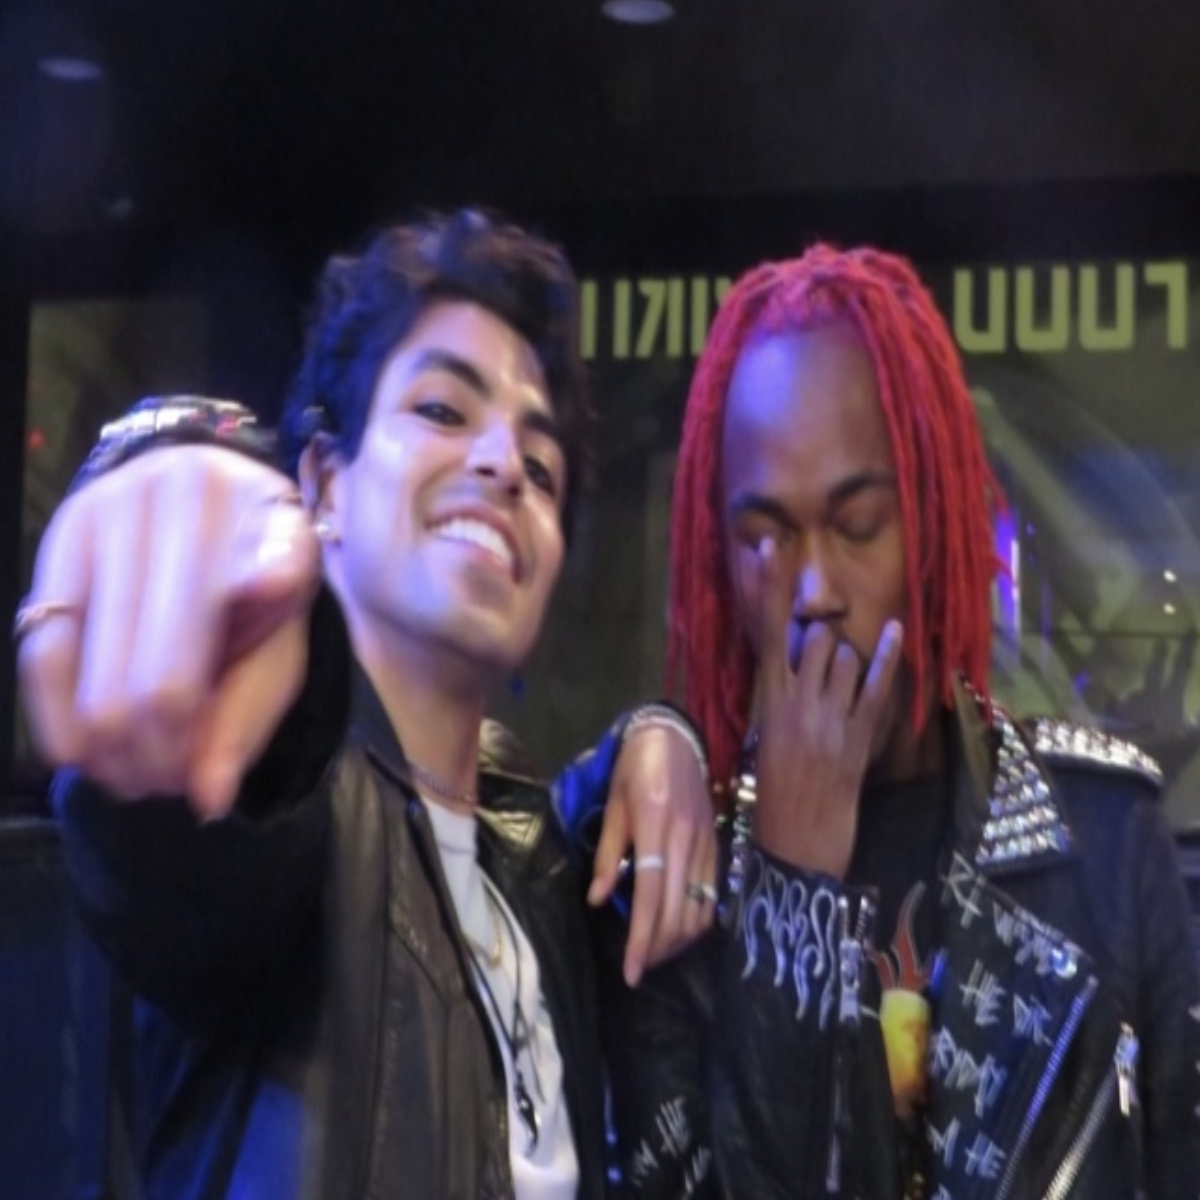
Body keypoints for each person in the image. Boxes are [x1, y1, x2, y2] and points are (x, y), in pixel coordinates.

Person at [16, 209, 716, 1200]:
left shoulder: (533, 867)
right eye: (442, 410)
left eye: (541, 465)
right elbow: (198, 828)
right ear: (323, 484)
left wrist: (661, 733)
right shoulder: (285, 788)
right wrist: (175, 484)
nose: (503, 463)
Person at [592, 243, 1200, 1199]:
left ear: (933, 521)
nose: (814, 591)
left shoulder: (1104, 838)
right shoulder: (678, 871)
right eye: (764, 537)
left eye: (859, 524)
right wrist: (787, 891)